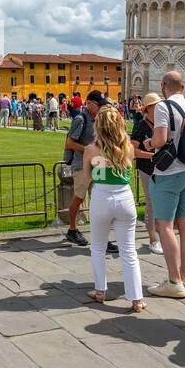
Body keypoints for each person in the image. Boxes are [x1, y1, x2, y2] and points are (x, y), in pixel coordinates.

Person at [78, 105, 146, 312]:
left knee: (98, 247)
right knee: (128, 250)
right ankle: (136, 299)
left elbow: (87, 176)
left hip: (102, 196)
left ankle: (100, 290)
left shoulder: (91, 149)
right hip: (124, 196)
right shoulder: (128, 147)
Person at [144, 71, 185, 299]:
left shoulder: (162, 107)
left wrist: (148, 143)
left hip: (167, 172)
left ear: (163, 86)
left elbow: (160, 139)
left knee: (164, 226)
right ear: (183, 87)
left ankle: (173, 280)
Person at [63, 91, 105, 250]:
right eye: (98, 104)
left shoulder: (99, 119)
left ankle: (100, 235)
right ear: (89, 103)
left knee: (101, 198)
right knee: (79, 197)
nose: (101, 107)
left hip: (99, 163)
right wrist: (89, 150)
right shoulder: (80, 119)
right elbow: (70, 143)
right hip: (82, 164)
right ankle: (72, 229)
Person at [129, 91, 163, 255]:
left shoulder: (162, 123)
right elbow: (133, 150)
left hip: (162, 168)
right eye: (157, 106)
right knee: (151, 203)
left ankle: (160, 234)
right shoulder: (141, 125)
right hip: (147, 168)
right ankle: (153, 239)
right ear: (149, 108)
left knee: (161, 203)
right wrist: (153, 155)